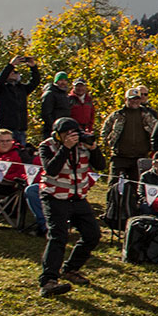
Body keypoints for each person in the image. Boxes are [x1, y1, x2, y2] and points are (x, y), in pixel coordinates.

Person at [36, 117, 105, 297]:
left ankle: (70, 269)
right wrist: (65, 148)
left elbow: (101, 166)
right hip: (54, 195)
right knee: (58, 236)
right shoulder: (47, 146)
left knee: (92, 234)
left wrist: (94, 148)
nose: (72, 137)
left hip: (77, 197)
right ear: (58, 135)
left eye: (74, 133)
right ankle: (48, 281)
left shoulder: (83, 145)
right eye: (67, 134)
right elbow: (51, 169)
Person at [0, 128, 47, 233]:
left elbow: (30, 171)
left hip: (10, 185)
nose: (5, 143)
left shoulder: (21, 153)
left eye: (8, 141)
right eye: (2, 141)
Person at [100, 87, 155, 180]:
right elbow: (104, 131)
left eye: (137, 99)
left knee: (137, 187)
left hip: (140, 156)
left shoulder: (147, 115)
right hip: (119, 156)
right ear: (126, 99)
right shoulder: (117, 115)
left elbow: (156, 131)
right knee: (114, 185)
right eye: (132, 99)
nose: (135, 101)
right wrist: (109, 144)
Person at [0, 55, 41, 143]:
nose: (13, 73)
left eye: (15, 72)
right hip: (6, 130)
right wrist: (11, 65)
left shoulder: (22, 88)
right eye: (11, 72)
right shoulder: (1, 89)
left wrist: (33, 67)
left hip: (21, 129)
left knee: (20, 154)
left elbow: (35, 82)